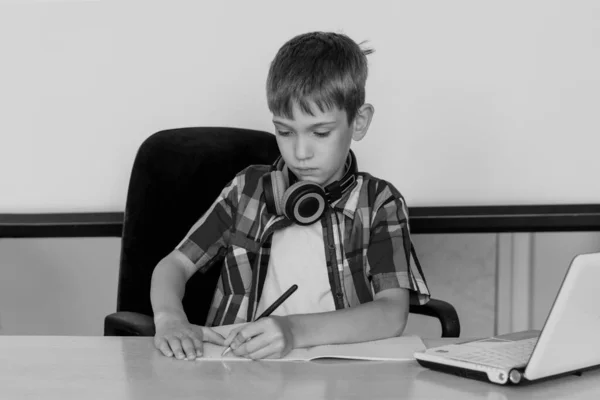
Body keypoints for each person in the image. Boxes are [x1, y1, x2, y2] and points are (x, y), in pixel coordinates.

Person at [150, 31, 431, 361]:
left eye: (321, 133)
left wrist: (292, 330)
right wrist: (170, 319)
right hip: (239, 372)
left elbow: (391, 313)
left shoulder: (380, 203)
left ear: (359, 122)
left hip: (339, 379)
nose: (300, 152)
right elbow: (173, 266)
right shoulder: (247, 191)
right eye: (284, 131)